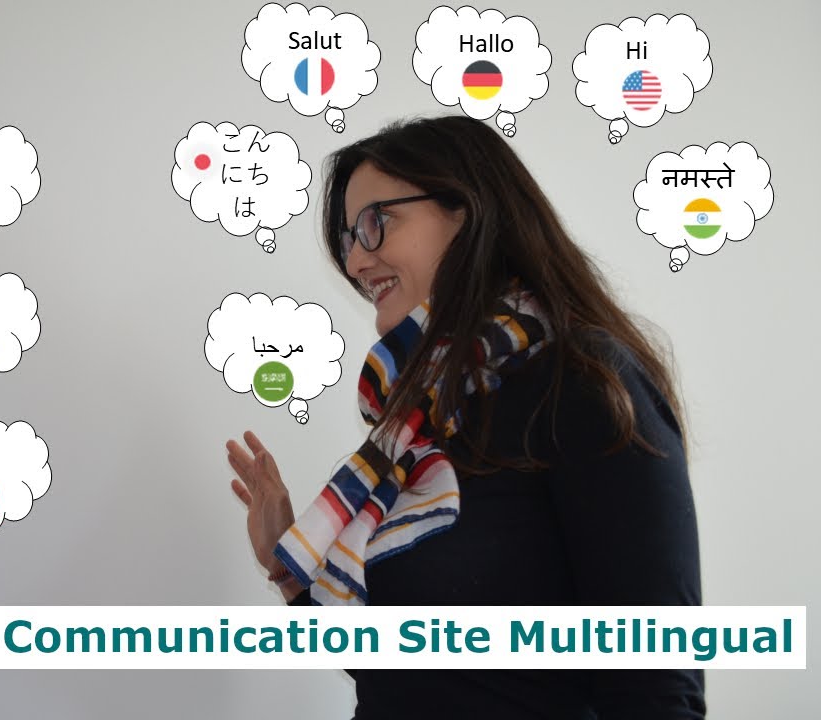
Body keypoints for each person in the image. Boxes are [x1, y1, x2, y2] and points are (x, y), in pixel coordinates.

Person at [227, 116, 705, 719]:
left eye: (375, 224)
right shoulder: (423, 423)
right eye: (349, 240)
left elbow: (657, 691)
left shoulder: (582, 382)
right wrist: (288, 571)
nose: (356, 262)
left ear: (467, 213)